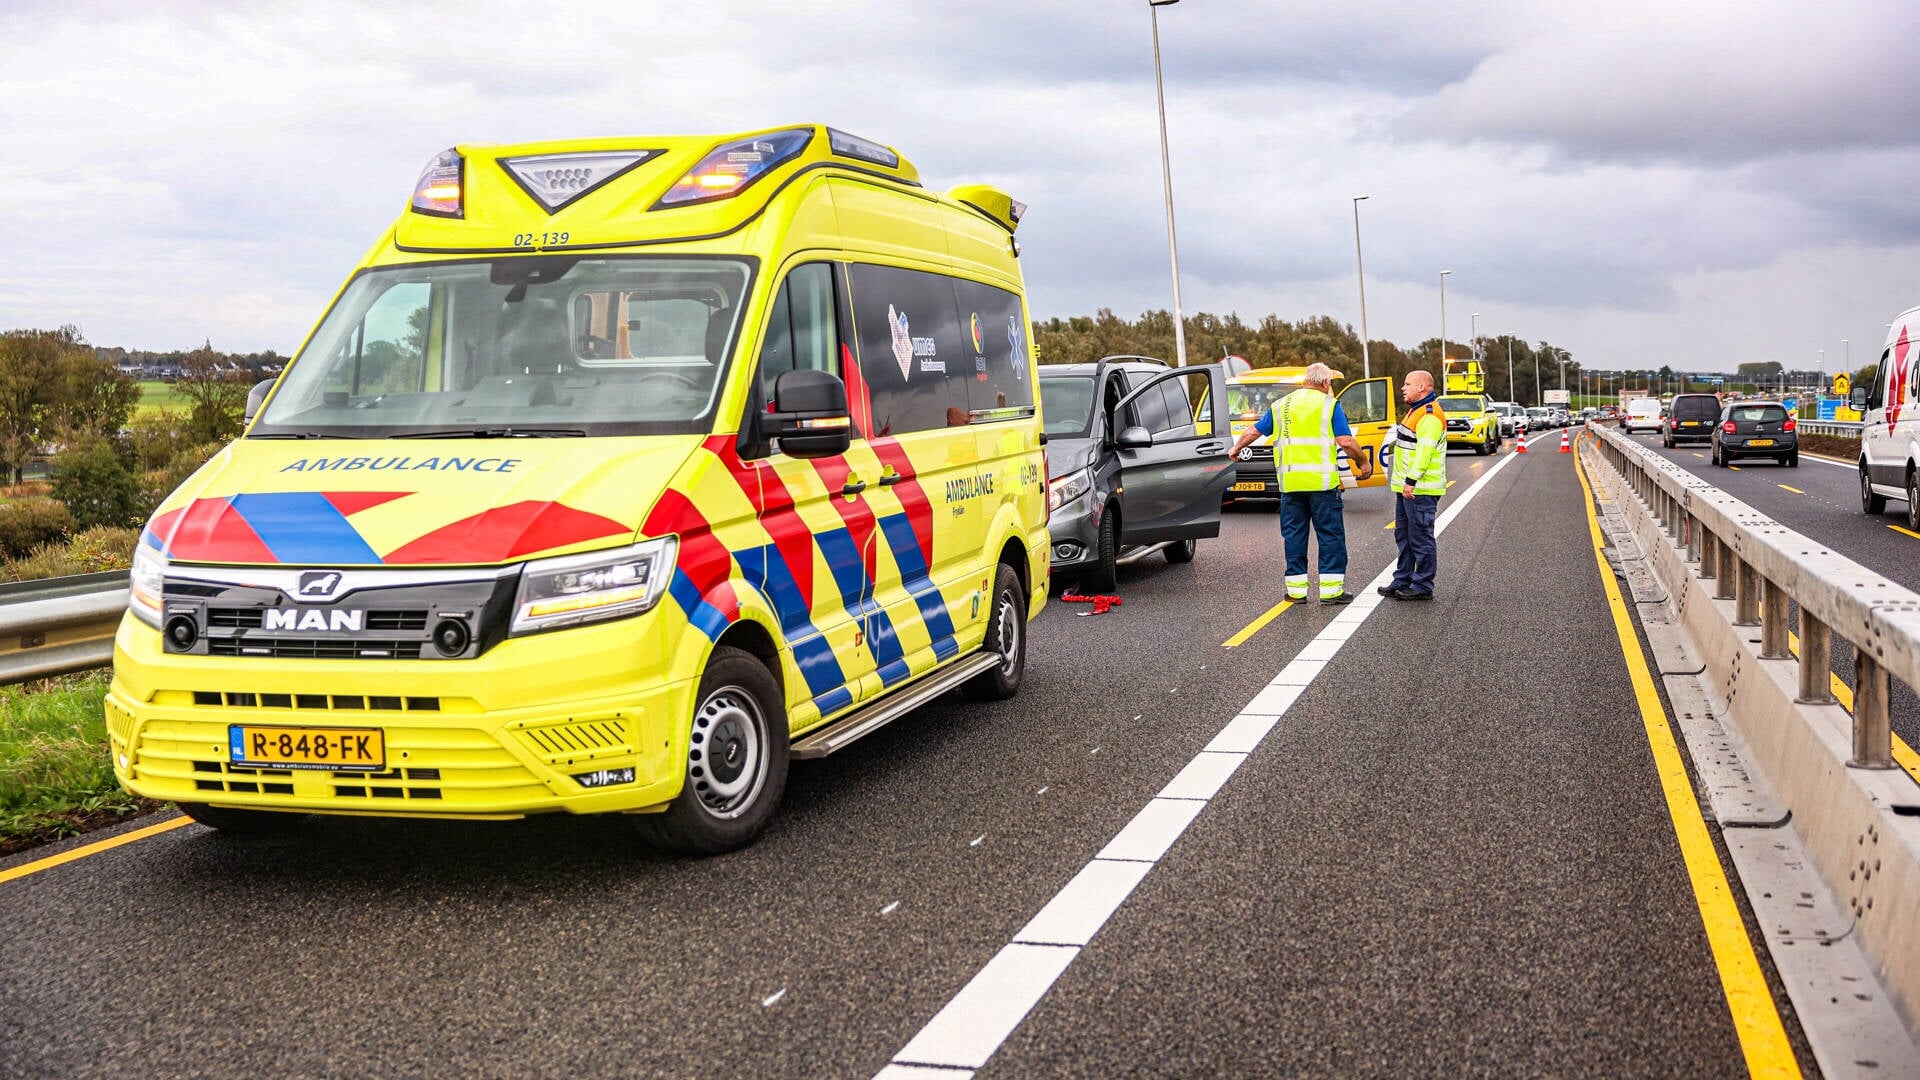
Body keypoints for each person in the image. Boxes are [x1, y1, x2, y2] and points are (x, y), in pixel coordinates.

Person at [1229, 362, 1373, 604]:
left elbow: (1254, 431)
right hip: (1322, 485)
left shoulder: (1281, 405)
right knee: (1330, 536)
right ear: (1326, 383)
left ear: (1306, 380)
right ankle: (1331, 592)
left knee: (1294, 536)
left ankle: (1296, 592)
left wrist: (1236, 448)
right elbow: (1346, 441)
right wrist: (1364, 462)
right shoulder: (1329, 405)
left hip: (1291, 485)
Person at [1381, 369, 1447, 600]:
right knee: (1405, 535)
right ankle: (1403, 579)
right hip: (1407, 488)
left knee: (1420, 536)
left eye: (1408, 384)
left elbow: (1424, 452)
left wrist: (1411, 480)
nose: (1403, 388)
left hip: (1421, 488)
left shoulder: (1428, 415)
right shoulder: (1415, 411)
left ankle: (1423, 586)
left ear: (1422, 387)